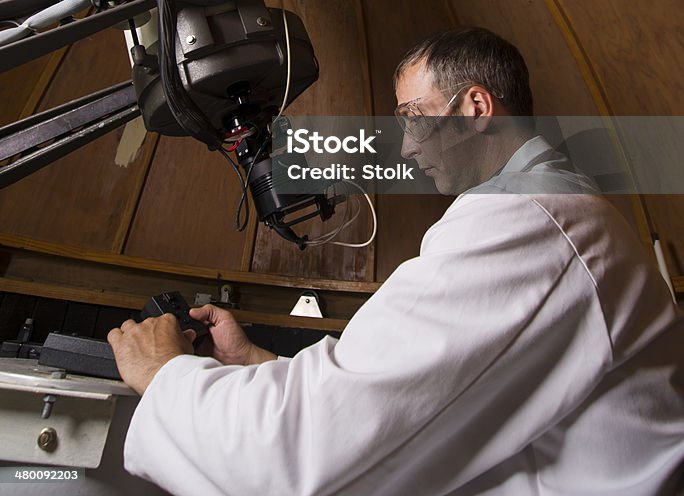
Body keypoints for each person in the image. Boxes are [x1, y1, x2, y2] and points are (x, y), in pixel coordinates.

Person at [109, 27, 684, 495]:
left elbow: (305, 455)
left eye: (413, 116)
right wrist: (251, 362)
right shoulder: (549, 215)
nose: (406, 146)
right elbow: (401, 397)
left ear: (476, 107)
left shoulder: (529, 221)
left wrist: (166, 376)